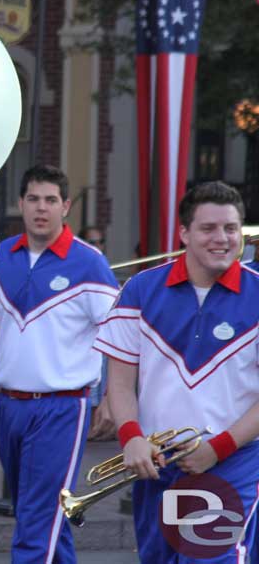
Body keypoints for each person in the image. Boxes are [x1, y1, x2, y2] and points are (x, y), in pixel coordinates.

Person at [96, 181, 259, 563]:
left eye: (231, 229)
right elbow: (119, 383)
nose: (222, 239)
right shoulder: (140, 289)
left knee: (209, 558)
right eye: (208, 228)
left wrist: (216, 450)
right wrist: (131, 437)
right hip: (157, 465)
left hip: (232, 463)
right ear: (184, 233)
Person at [0, 165, 119, 564]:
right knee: (39, 516)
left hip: (61, 407)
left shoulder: (89, 263)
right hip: (7, 405)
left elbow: (119, 337)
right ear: (21, 204)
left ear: (66, 207)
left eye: (51, 200)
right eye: (34, 199)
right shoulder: (1, 255)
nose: (42, 208)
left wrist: (111, 398)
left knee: (36, 525)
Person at [78, 225, 116, 442]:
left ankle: (98, 423)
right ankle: (90, 425)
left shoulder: (101, 267)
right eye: (92, 242)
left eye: (100, 242)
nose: (97, 247)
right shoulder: (82, 266)